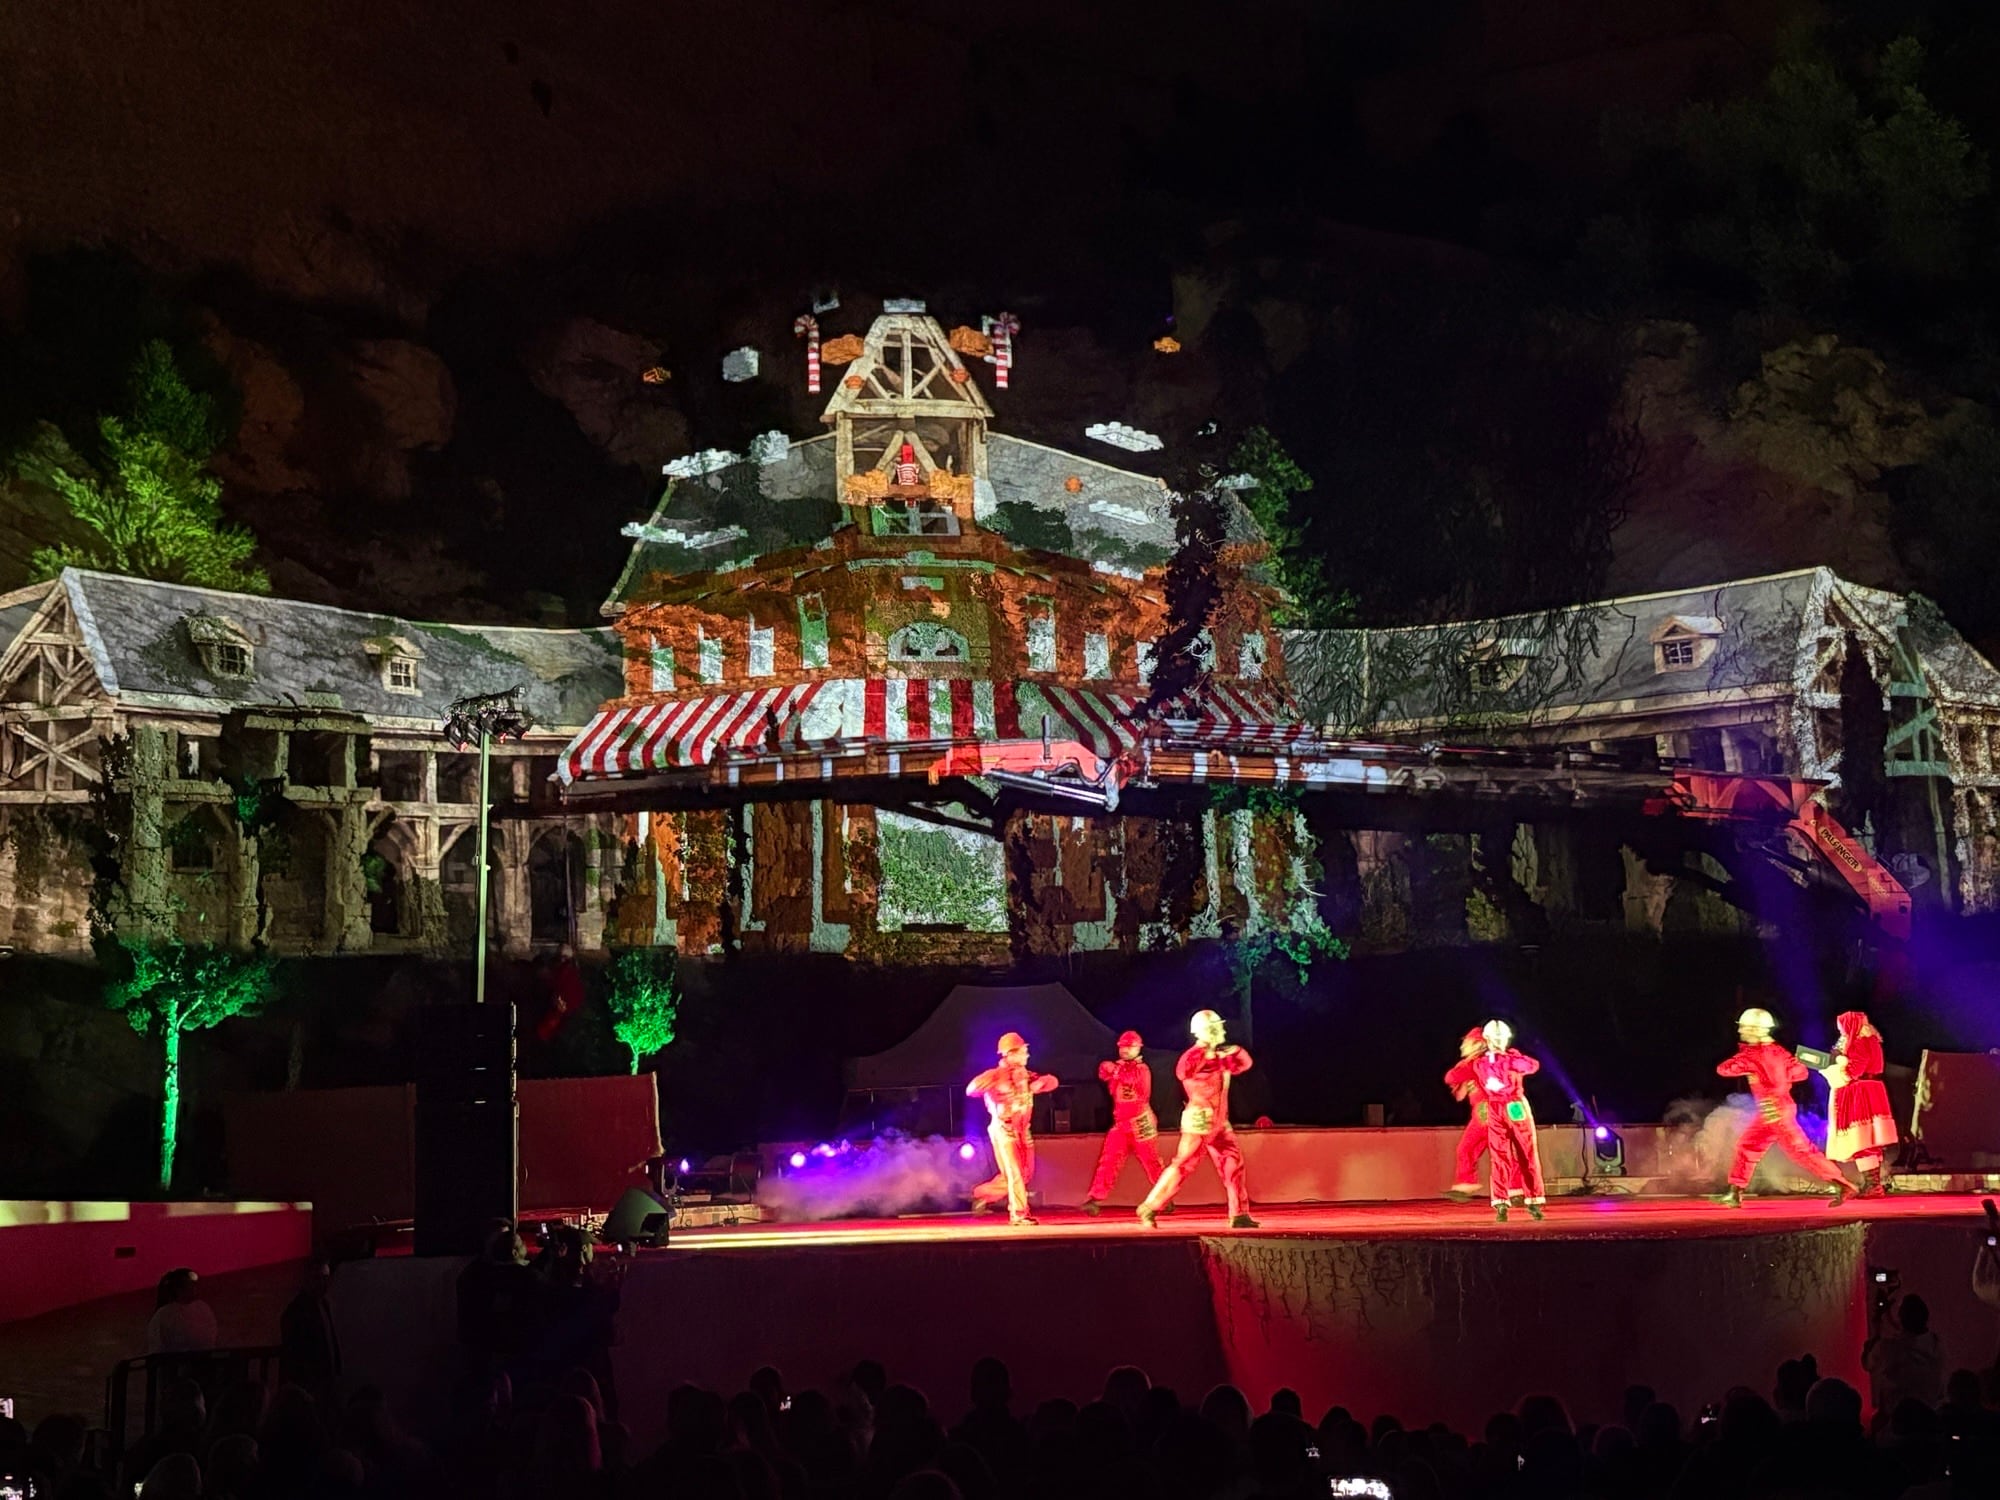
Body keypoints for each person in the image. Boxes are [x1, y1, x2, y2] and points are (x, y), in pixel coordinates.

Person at [1714, 1007, 1849, 1207]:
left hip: (1773, 1109)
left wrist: (1752, 1067)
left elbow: (1724, 1069)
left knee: (1801, 1150)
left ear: (1755, 1030)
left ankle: (1841, 1184)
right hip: (1778, 1106)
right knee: (1748, 1146)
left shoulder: (1754, 1055)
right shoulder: (1779, 1051)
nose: (1741, 1031)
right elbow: (1800, 1072)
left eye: (1744, 1028)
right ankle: (1735, 1192)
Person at [1136, 1009, 1257, 1229]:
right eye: (1217, 1027)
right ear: (1206, 1031)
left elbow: (1245, 1064)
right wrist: (1209, 1057)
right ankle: (1150, 1206)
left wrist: (1233, 1052)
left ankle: (1239, 1214)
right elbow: (1183, 1071)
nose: (1222, 1029)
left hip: (1220, 1122)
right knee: (1182, 1166)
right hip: (1199, 1120)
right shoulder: (1194, 1056)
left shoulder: (1221, 1056)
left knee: (1233, 1166)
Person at [1443, 1020, 1546, 1222]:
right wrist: (1510, 1057)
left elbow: (1451, 1077)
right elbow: (1532, 1065)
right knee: (1523, 1152)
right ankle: (1529, 1197)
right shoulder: (1507, 1059)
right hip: (1513, 1106)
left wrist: (1472, 1067)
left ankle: (1502, 1200)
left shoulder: (1478, 1063)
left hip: (1494, 1107)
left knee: (1501, 1155)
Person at [966, 1032, 1057, 1226]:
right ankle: (1019, 1213)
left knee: (1024, 1174)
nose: (1027, 1055)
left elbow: (1052, 1082)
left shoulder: (1027, 1075)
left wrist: (1039, 1084)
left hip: (1023, 1130)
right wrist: (995, 1087)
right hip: (1004, 1129)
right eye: (1023, 1051)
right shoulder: (995, 1075)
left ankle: (982, 1194)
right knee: (1015, 1171)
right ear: (1010, 1054)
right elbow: (971, 1089)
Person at [1081, 1030, 1164, 1214]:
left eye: (1129, 1047)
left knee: (1152, 1163)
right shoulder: (1118, 1067)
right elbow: (1103, 1071)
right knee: (1109, 1160)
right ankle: (1095, 1198)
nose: (1125, 1050)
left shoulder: (1142, 1069)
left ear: (1138, 1049)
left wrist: (1115, 1070)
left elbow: (1129, 1078)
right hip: (1121, 1123)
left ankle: (1164, 1197)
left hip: (1141, 1123)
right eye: (1122, 1047)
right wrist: (1109, 1067)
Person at [1819, 1010, 1898, 1196]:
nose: (1842, 1033)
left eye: (1843, 1028)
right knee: (1868, 1140)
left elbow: (1853, 1070)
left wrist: (1835, 1067)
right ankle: (1873, 1184)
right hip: (1871, 1090)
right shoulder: (1872, 1040)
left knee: (1862, 1141)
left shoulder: (1859, 1043)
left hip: (1860, 1093)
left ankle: (1873, 1186)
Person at [1865, 1285, 1944, 1418]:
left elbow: (1867, 1362)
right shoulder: (1937, 1344)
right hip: (1930, 1417)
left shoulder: (1888, 1348)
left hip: (1898, 1420)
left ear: (1901, 1317)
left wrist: (1876, 1327)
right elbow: (1911, 1337)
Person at [279, 1256, 342, 1394]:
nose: (323, 1283)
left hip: (324, 1382)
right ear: (307, 1279)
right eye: (318, 1278)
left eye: (326, 1278)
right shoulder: (297, 1312)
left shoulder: (323, 1304)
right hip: (311, 1384)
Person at [1445, 1026, 1490, 1202]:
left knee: (1468, 1147)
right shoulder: (1470, 1064)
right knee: (1501, 1150)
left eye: (1466, 1042)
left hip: (1486, 1109)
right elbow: (1460, 1095)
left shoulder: (1479, 1062)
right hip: (1483, 1109)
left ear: (1478, 1044)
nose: (1462, 1046)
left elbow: (1451, 1077)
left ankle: (1466, 1182)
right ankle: (1516, 1188)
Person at [145, 1267, 218, 1354]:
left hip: (202, 1362)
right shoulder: (163, 1315)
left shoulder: (202, 1308)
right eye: (189, 1286)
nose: (194, 1289)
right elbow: (158, 1350)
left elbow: (210, 1340)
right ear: (177, 1289)